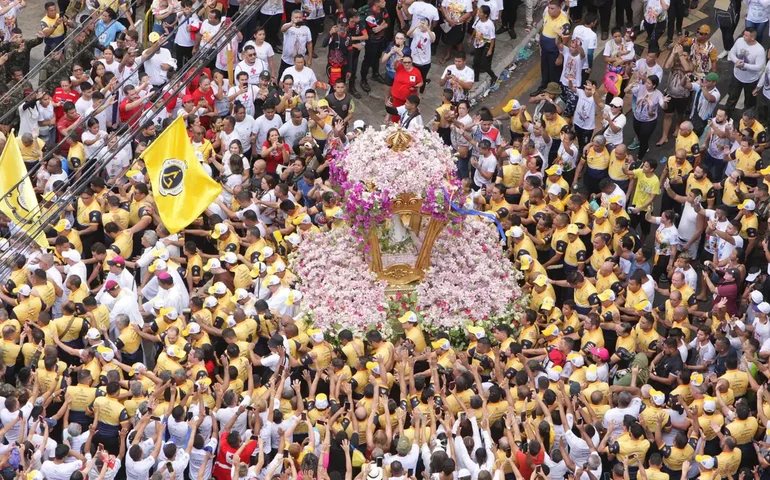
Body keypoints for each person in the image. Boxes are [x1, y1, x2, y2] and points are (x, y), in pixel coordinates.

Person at [726, 28, 766, 112]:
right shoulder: (739, 41)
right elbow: (731, 53)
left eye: (746, 35)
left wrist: (744, 65)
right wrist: (736, 61)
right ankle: (725, 117)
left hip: (751, 80)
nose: (743, 36)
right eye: (744, 34)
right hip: (737, 77)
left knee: (749, 104)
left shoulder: (759, 50)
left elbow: (759, 67)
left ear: (753, 37)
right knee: (731, 99)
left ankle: (746, 122)